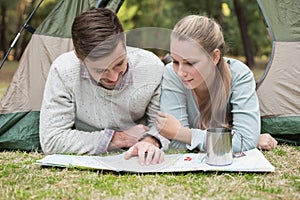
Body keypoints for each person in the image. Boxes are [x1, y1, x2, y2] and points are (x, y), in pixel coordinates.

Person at [39, 8, 169, 165]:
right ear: (80, 58)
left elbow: (164, 125)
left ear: (124, 42)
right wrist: (119, 138)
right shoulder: (63, 70)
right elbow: (52, 139)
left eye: (119, 63)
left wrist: (150, 141)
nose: (113, 77)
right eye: (100, 70)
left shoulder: (152, 67)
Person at [156, 15, 277, 153]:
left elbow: (245, 140)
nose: (181, 72)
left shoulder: (240, 75)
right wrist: (231, 141)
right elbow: (177, 145)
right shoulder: (171, 74)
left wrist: (184, 134)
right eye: (175, 61)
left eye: (190, 63)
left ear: (214, 57)